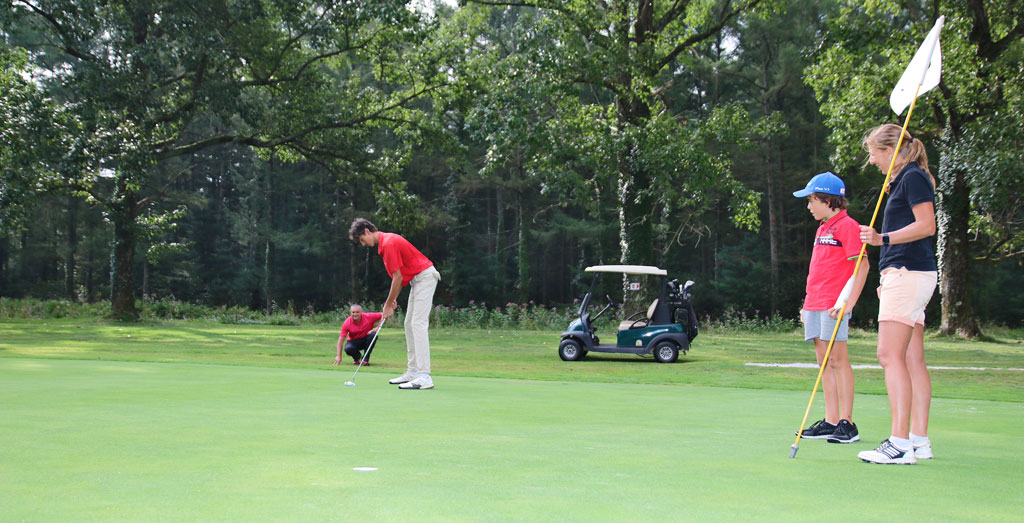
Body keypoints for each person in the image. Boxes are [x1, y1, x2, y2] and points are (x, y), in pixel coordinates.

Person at [857, 124, 938, 465]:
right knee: (911, 359)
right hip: (908, 275)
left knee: (889, 356)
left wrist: (882, 240)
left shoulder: (912, 178)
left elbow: (927, 225)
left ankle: (899, 443)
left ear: (890, 150)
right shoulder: (905, 179)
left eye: (874, 153)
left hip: (907, 274)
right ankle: (918, 440)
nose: (872, 160)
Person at [793, 172, 869, 445]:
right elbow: (818, 269)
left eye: (812, 200)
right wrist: (806, 302)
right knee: (824, 362)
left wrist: (849, 302)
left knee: (838, 361)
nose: (809, 205)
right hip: (814, 302)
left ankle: (847, 424)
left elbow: (862, 265)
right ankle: (831, 420)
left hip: (834, 305)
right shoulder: (822, 228)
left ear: (827, 199)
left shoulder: (848, 226)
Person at [349, 218, 441, 390]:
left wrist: (387, 304)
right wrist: (391, 301)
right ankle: (413, 372)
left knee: (418, 324)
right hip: (417, 280)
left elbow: (397, 278)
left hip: (426, 277)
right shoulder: (385, 245)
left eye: (362, 239)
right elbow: (398, 279)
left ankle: (424, 375)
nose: (363, 244)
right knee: (408, 324)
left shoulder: (389, 243)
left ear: (367, 231)